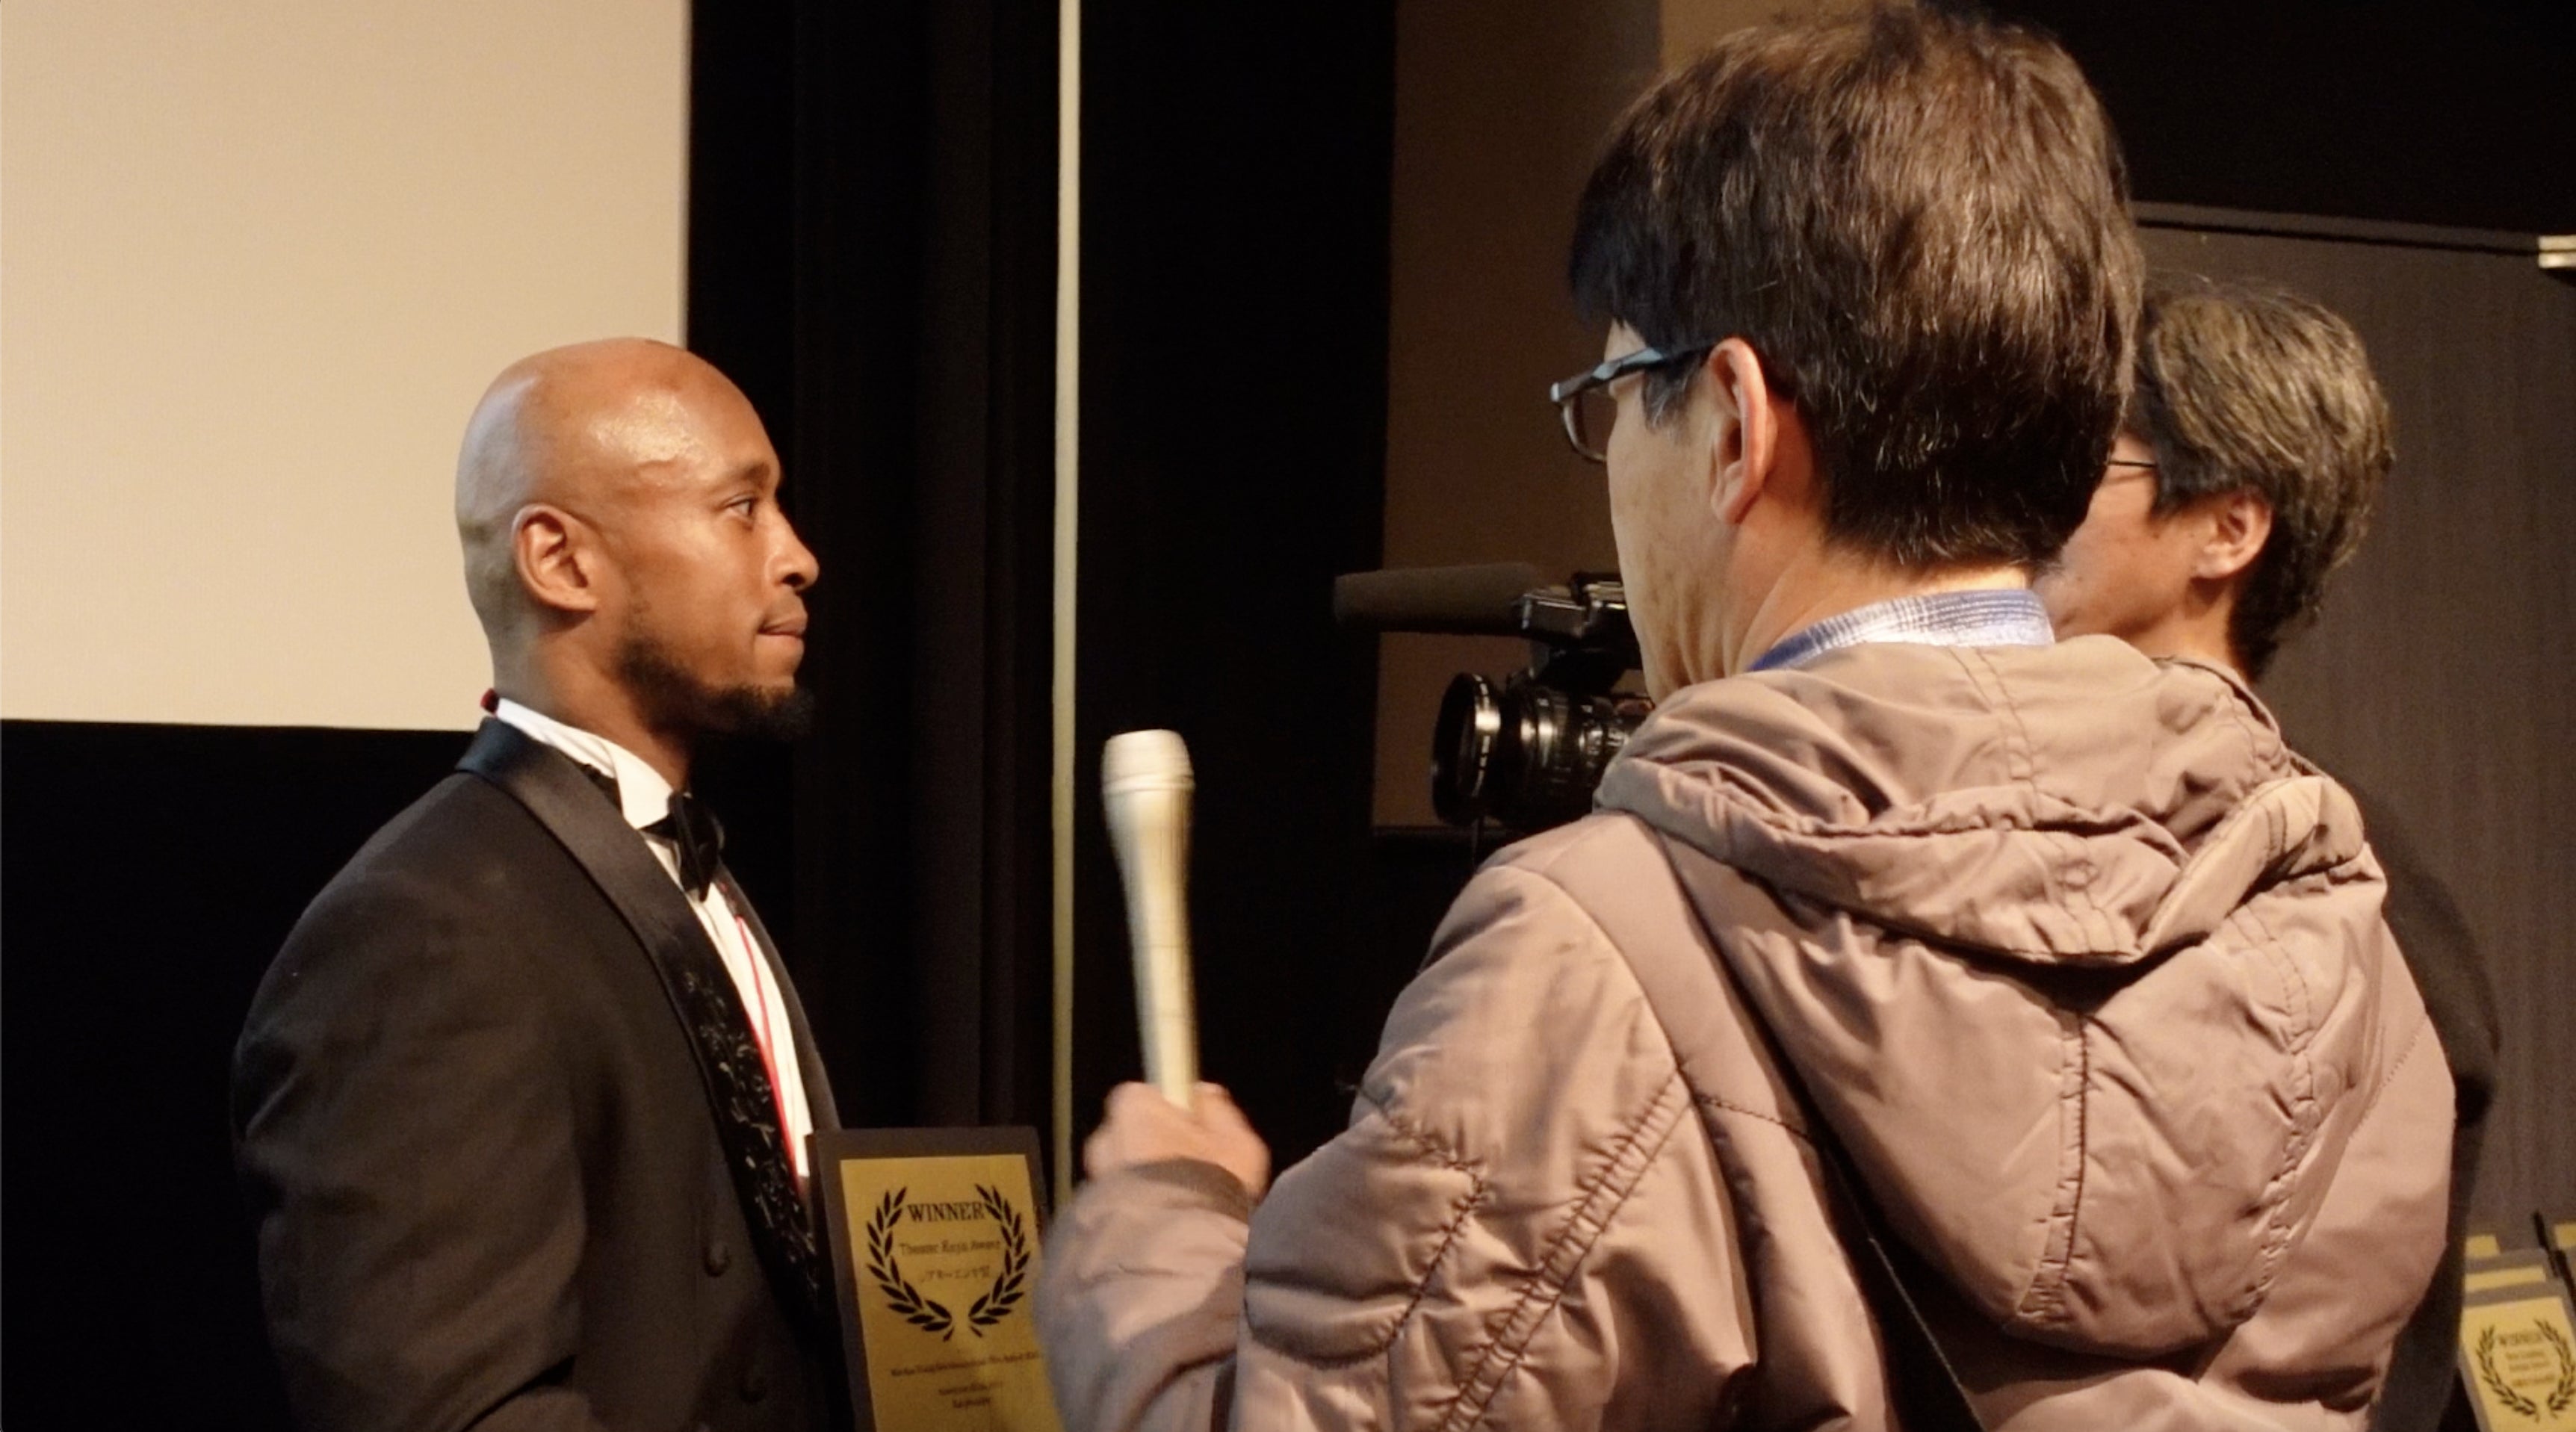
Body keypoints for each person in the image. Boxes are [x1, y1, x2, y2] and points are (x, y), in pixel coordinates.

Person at [1037, 10, 2453, 1431]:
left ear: (1732, 421)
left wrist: (1161, 1223)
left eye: (1612, 396)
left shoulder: (1597, 962)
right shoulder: (2339, 948)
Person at [234, 339, 839, 1431]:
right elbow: (447, 1410)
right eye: (741, 508)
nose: (797, 557)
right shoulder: (423, 930)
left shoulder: (687, 872)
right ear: (561, 562)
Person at [2037, 276, 2500, 1432]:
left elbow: (2379, 1347)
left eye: (2084, 462)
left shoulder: (2368, 888)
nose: (2028, 505)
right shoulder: (2011, 813)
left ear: (2228, 529)